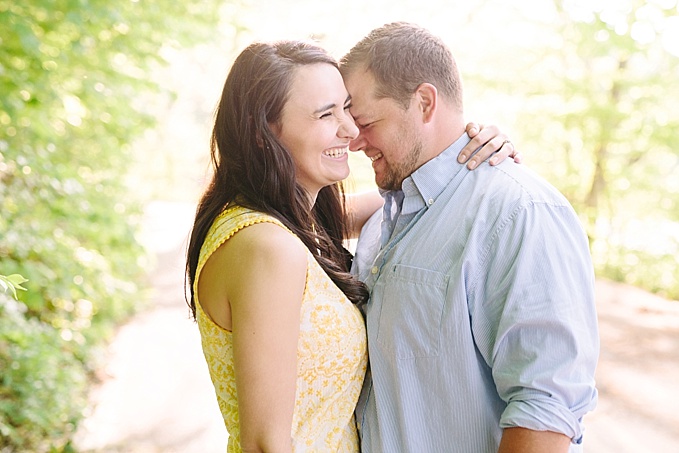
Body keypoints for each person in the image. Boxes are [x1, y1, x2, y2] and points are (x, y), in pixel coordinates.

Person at [185, 40, 516, 452]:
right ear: (261, 134)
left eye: (346, 107)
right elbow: (264, 444)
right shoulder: (267, 247)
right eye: (326, 114)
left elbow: (415, 193)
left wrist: (465, 151)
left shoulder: (287, 225)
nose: (351, 129)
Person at [340, 22, 599, 453]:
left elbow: (545, 409)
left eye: (365, 122)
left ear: (424, 102)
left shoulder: (521, 212)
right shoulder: (387, 214)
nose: (354, 141)